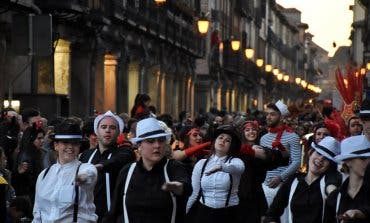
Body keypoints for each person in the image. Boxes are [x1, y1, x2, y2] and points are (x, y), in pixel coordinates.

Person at [104, 117, 191, 223]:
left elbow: (185, 186)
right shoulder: (127, 171)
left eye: (161, 140)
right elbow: (114, 211)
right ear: (139, 146)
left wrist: (179, 187)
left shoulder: (173, 167)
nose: (157, 145)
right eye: (151, 141)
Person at [32, 120, 98, 222]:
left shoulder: (84, 168)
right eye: (65, 142)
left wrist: (83, 177)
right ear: (56, 145)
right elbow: (37, 212)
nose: (70, 147)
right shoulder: (44, 175)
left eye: (75, 143)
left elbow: (91, 173)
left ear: (79, 146)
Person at [264, 136, 341, 223]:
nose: (320, 159)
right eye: (319, 153)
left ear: (330, 165)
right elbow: (271, 214)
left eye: (326, 158)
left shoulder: (331, 181)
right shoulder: (293, 181)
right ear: (310, 153)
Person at [79, 111, 136, 222]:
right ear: (96, 131)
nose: (107, 130)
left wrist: (99, 167)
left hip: (115, 217)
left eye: (112, 127)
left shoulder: (125, 152)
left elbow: (117, 161)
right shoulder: (87, 155)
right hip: (87, 216)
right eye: (103, 127)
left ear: (119, 132)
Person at [186, 125, 245, 223]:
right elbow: (194, 193)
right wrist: (186, 211)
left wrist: (222, 167)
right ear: (214, 141)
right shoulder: (201, 164)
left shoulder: (235, 161)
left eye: (227, 140)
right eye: (220, 137)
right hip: (204, 213)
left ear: (231, 145)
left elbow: (240, 169)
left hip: (229, 213)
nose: (223, 141)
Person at [237, 120, 289, 223]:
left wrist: (282, 149)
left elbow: (282, 158)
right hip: (239, 196)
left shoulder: (263, 149)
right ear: (242, 133)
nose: (251, 132)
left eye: (253, 130)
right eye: (247, 130)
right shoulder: (238, 150)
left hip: (256, 196)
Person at [261, 101, 301, 207]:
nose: (268, 117)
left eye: (272, 114)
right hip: (265, 186)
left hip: (285, 187)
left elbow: (297, 162)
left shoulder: (293, 137)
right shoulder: (263, 138)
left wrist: (280, 177)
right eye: (267, 114)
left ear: (282, 117)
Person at [324, 135, 370, 223]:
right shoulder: (335, 198)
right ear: (348, 161)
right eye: (363, 158)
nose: (369, 162)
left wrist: (360, 214)